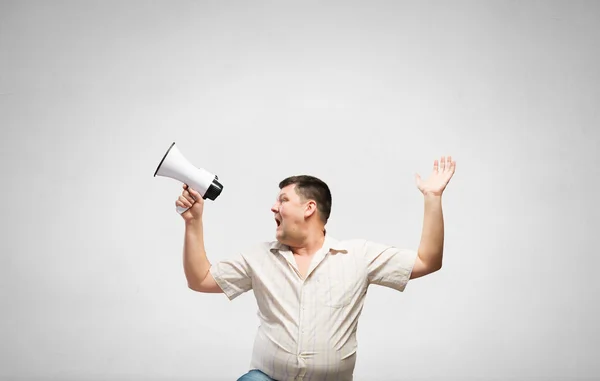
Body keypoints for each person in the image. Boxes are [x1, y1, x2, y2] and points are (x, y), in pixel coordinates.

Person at [175, 156, 456, 381]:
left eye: (283, 200)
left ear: (309, 208)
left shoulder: (358, 255)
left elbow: (427, 261)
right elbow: (200, 279)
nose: (273, 208)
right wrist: (193, 222)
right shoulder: (258, 257)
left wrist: (432, 197)